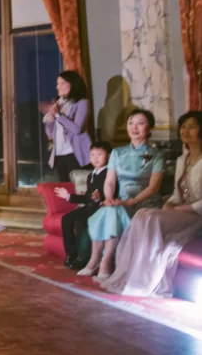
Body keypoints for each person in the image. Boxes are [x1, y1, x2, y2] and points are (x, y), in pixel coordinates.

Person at [100, 111, 202, 297]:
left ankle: (149, 280)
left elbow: (158, 188)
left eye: (192, 126)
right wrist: (170, 205)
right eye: (183, 126)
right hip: (181, 211)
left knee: (150, 216)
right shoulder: (182, 160)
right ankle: (131, 275)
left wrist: (180, 208)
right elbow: (177, 194)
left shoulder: (157, 155)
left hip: (197, 214)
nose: (185, 131)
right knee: (144, 214)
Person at [80, 109, 164, 279]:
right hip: (122, 202)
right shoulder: (118, 153)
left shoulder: (157, 155)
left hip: (145, 203)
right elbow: (110, 181)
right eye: (131, 123)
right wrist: (109, 197)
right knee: (108, 209)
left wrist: (132, 201)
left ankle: (103, 261)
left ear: (150, 129)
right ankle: (98, 259)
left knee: (111, 212)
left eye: (140, 123)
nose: (134, 127)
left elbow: (154, 187)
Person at [54, 141, 114, 270]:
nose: (95, 158)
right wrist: (69, 196)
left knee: (81, 221)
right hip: (90, 207)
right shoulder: (91, 175)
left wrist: (99, 198)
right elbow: (88, 197)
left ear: (108, 156)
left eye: (99, 154)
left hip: (102, 208)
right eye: (92, 155)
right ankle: (71, 254)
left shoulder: (109, 173)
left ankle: (84, 257)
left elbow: (112, 193)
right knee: (66, 219)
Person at [43, 70, 92, 182]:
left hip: (75, 153)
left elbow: (77, 129)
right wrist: (50, 120)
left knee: (78, 187)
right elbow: (50, 134)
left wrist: (58, 115)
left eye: (62, 83)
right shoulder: (58, 104)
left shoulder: (82, 103)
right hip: (59, 153)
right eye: (57, 83)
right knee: (63, 188)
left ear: (72, 84)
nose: (58, 87)